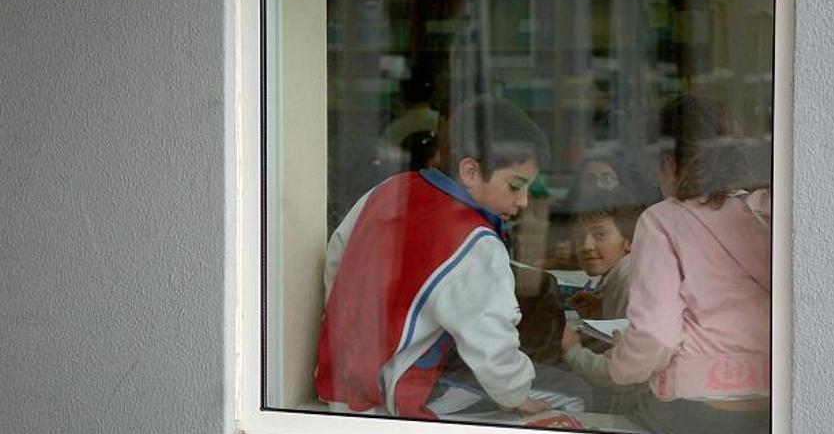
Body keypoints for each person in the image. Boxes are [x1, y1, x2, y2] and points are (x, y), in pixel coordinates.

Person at [315, 100, 554, 419]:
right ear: (470, 171)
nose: (523, 201)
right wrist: (516, 393)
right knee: (576, 395)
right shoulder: (476, 242)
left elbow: (337, 263)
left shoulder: (388, 190)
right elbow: (492, 344)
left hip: (337, 386)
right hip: (398, 400)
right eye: (515, 186)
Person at [560, 95, 771, 433]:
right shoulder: (762, 212)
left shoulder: (663, 220)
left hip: (695, 407)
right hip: (767, 404)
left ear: (667, 162)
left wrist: (619, 364)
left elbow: (657, 336)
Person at [564, 189, 643, 321]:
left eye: (600, 235)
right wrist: (602, 312)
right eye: (579, 237)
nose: (586, 246)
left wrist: (573, 341)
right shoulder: (620, 274)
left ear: (630, 241)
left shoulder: (631, 283)